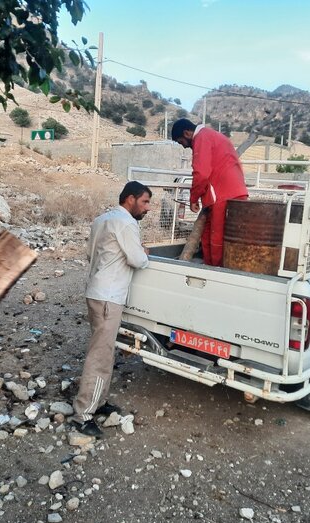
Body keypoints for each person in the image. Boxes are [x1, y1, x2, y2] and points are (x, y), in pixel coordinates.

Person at [71, 181, 152, 437]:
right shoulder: (127, 223)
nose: (147, 208)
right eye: (145, 202)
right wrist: (144, 252)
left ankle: (99, 401)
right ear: (130, 199)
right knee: (101, 355)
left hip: (96, 292)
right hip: (109, 297)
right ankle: (83, 414)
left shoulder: (101, 219)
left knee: (103, 351)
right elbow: (138, 260)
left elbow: (89, 254)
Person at [171, 118, 248, 266]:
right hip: (236, 190)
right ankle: (213, 266)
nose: (186, 147)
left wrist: (193, 199)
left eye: (182, 142)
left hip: (222, 194)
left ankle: (214, 273)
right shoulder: (215, 135)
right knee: (212, 234)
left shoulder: (201, 138)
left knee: (216, 238)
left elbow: (201, 173)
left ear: (187, 133)